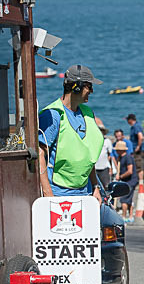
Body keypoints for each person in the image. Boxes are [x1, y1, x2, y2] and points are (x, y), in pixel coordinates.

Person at [37, 64, 106, 203]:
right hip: (59, 194)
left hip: (85, 193)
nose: (92, 91)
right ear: (77, 86)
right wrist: (48, 195)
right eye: (89, 86)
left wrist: (95, 187)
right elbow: (40, 155)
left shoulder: (87, 113)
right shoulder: (53, 115)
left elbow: (88, 154)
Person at [114, 141, 138, 222]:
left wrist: (120, 176)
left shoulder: (128, 157)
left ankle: (124, 217)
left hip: (130, 181)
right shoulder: (120, 158)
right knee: (129, 199)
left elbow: (130, 171)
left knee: (124, 199)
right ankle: (130, 216)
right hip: (126, 181)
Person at [94, 120, 115, 190]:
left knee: (106, 186)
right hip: (95, 167)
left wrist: (111, 168)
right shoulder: (93, 141)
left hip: (104, 167)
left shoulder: (107, 141)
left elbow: (110, 155)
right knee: (95, 186)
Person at [126, 113, 144, 186]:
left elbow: (140, 137)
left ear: (130, 120)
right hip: (135, 148)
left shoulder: (136, 127)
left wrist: (138, 146)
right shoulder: (135, 126)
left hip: (137, 150)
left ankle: (140, 183)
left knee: (138, 166)